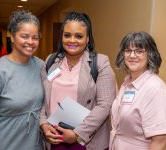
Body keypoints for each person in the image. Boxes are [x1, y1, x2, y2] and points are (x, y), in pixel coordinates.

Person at [40, 11, 117, 150]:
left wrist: (77, 134)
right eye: (67, 35)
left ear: (87, 38)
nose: (72, 40)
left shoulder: (100, 63)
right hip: (54, 139)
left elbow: (105, 105)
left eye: (79, 36)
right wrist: (43, 124)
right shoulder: (51, 61)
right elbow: (42, 99)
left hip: (85, 142)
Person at [0, 10, 45, 150]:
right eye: (25, 36)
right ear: (12, 37)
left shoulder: (42, 66)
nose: (30, 42)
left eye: (35, 37)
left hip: (35, 145)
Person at [109, 31, 166, 150]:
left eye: (139, 51)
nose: (132, 56)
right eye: (128, 50)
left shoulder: (156, 90)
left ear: (150, 55)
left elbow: (160, 141)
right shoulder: (127, 83)